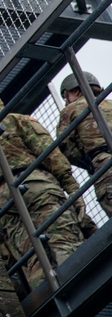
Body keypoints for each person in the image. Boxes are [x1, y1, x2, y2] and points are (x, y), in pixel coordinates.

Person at [0, 91, 91, 288]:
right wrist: (72, 187)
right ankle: (84, 286)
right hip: (34, 185)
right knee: (62, 237)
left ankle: (48, 298)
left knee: (33, 258)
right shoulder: (14, 120)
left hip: (4, 203)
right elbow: (48, 152)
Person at [57, 70, 112, 217]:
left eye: (65, 96)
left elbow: (65, 147)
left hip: (104, 164)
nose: (66, 101)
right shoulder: (110, 104)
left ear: (75, 91)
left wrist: (88, 162)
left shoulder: (71, 110)